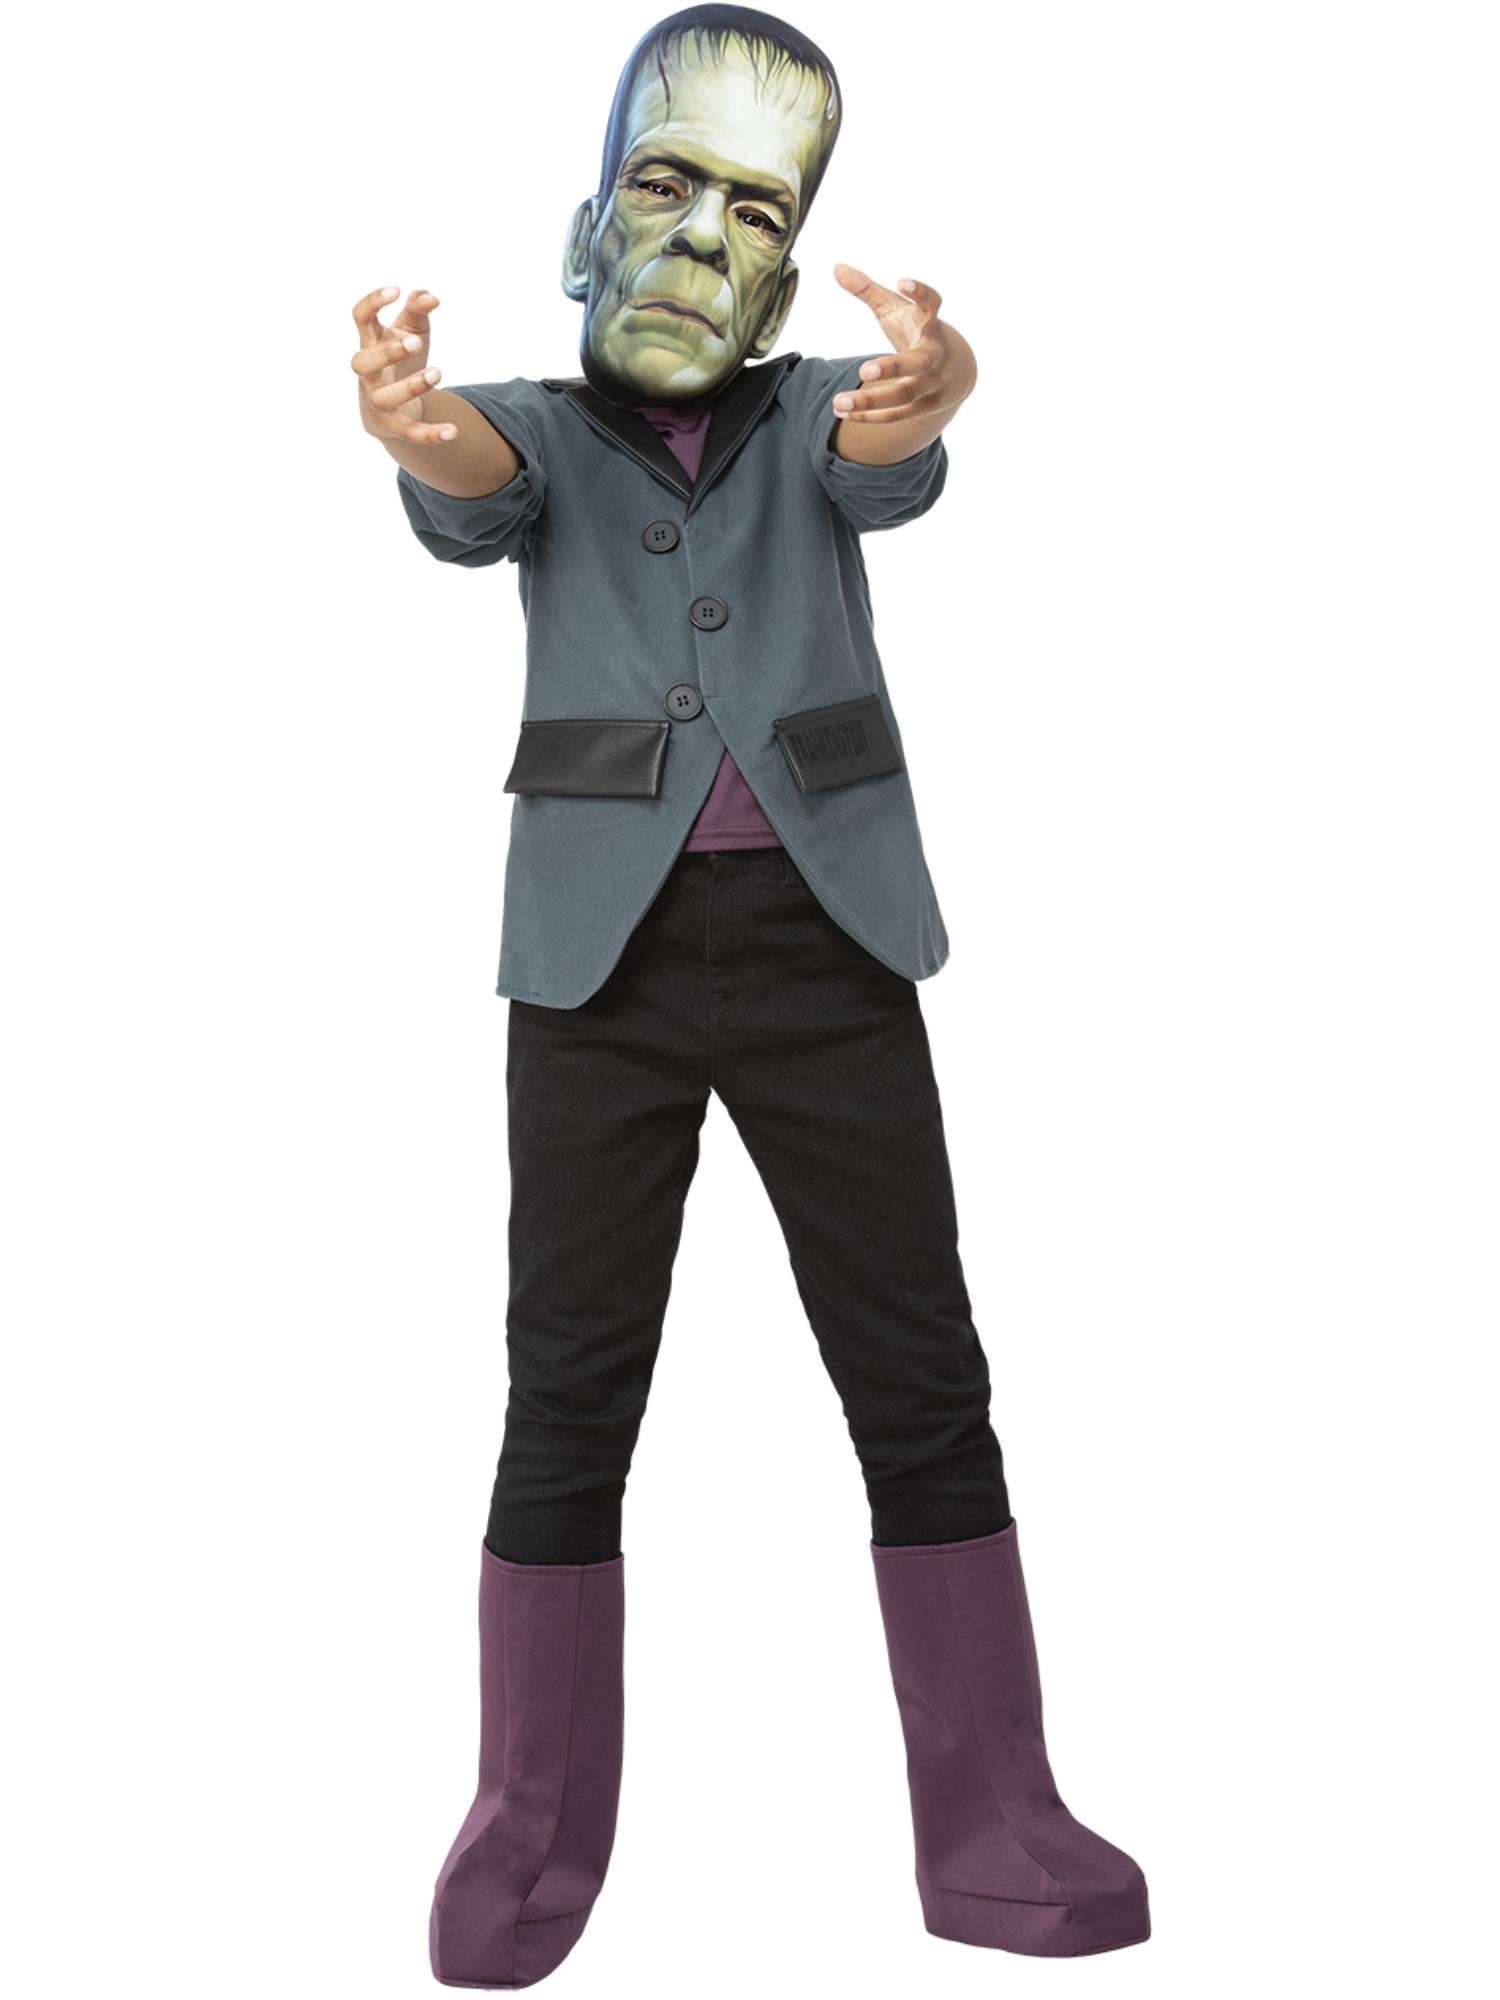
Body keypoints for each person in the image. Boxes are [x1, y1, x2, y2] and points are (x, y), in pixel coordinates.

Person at [350, 6, 1150, 1986]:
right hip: (594, 970)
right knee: (567, 1387)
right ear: (583, 234)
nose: (706, 237)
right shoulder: (536, 424)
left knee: (920, 1368)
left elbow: (892, 439)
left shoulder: (811, 417)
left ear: (788, 274)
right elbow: (467, 481)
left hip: (829, 949)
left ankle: (997, 1817)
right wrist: (410, 419)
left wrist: (938, 376)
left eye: (760, 209)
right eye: (664, 186)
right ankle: (527, 1829)